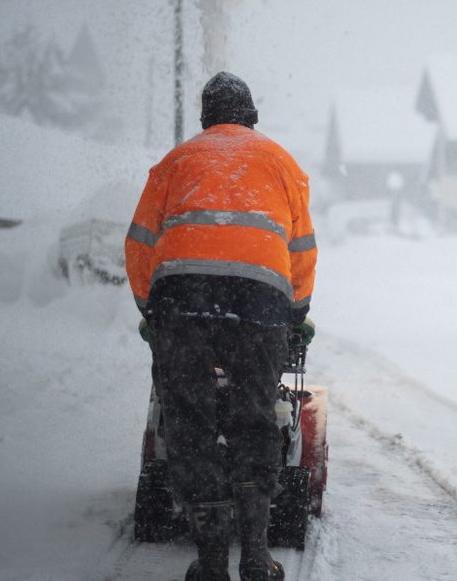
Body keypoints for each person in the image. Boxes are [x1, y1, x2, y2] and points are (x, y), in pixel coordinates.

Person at [125, 71, 317, 581]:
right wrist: (294, 316)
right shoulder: (283, 163)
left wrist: (151, 309)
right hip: (260, 303)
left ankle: (211, 562)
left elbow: (140, 242)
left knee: (188, 422)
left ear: (205, 119)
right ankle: (255, 555)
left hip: (181, 300)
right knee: (255, 416)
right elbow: (301, 251)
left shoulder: (176, 162)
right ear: (251, 117)